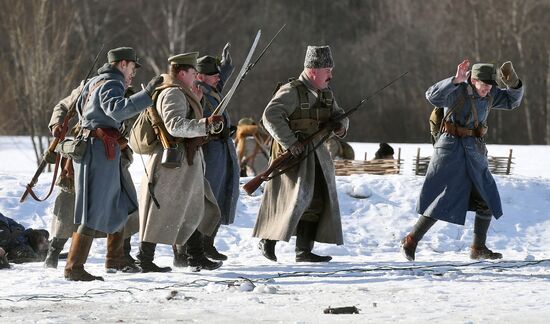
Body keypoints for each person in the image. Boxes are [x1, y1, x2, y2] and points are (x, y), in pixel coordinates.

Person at [401, 59, 524, 261]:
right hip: (451, 150)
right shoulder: (457, 90)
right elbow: (432, 96)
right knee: (443, 198)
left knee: (487, 196)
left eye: (490, 86)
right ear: (473, 80)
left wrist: (513, 82)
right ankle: (411, 240)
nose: (487, 89)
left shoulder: (491, 94)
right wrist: (454, 80)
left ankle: (478, 248)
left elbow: (513, 101)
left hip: (475, 151)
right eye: (483, 85)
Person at [64, 47, 163, 281]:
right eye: (132, 67)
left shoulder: (95, 82)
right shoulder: (111, 82)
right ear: (122, 64)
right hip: (97, 151)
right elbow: (117, 111)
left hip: (104, 150)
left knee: (122, 201)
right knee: (92, 209)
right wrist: (147, 94)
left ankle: (116, 258)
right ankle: (74, 267)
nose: (133, 73)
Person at [253, 45, 349, 263]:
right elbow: (270, 116)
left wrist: (340, 126)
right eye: (328, 70)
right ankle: (268, 241)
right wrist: (291, 142)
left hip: (316, 155)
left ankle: (303, 251)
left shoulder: (325, 93)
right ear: (314, 70)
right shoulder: (291, 91)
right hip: (293, 156)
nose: (331, 76)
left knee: (314, 201)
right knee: (289, 201)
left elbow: (340, 115)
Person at [138, 52, 222, 272]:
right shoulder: (173, 93)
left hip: (184, 160)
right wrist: (204, 124)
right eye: (194, 72)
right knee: (162, 211)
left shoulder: (183, 91)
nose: (196, 76)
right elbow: (175, 125)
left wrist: (200, 103)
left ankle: (195, 256)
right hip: (173, 161)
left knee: (193, 207)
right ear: (182, 72)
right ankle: (144, 259)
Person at [45, 85, 141, 273]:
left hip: (115, 155)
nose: (131, 77)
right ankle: (54, 251)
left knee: (122, 203)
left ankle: (120, 256)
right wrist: (57, 124)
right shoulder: (89, 87)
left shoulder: (128, 93)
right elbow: (62, 107)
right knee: (70, 205)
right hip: (84, 154)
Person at [172, 43, 239, 265]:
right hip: (207, 150)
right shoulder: (196, 91)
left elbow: (219, 80)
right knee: (202, 200)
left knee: (217, 198)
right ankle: (188, 250)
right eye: (212, 74)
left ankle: (206, 244)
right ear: (198, 75)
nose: (218, 77)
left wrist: (226, 66)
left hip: (221, 151)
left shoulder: (210, 87)